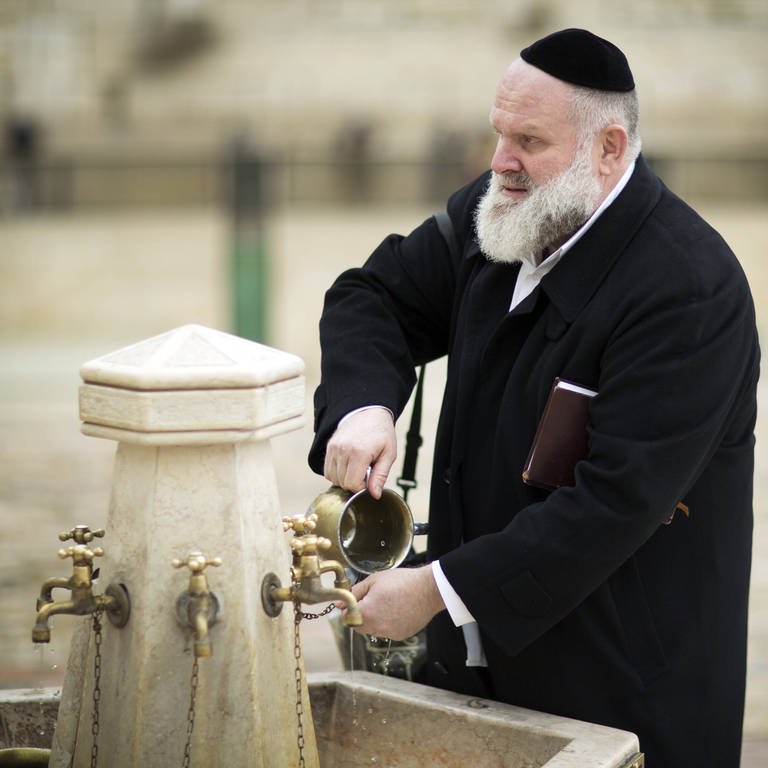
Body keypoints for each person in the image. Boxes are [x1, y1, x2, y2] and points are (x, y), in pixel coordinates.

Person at [308, 28, 759, 768]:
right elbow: (373, 296)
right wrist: (365, 404)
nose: (500, 163)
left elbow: (612, 503)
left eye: (529, 140)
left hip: (621, 696)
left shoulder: (690, 291)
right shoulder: (498, 213)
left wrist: (435, 590)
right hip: (472, 678)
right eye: (498, 134)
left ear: (609, 148)